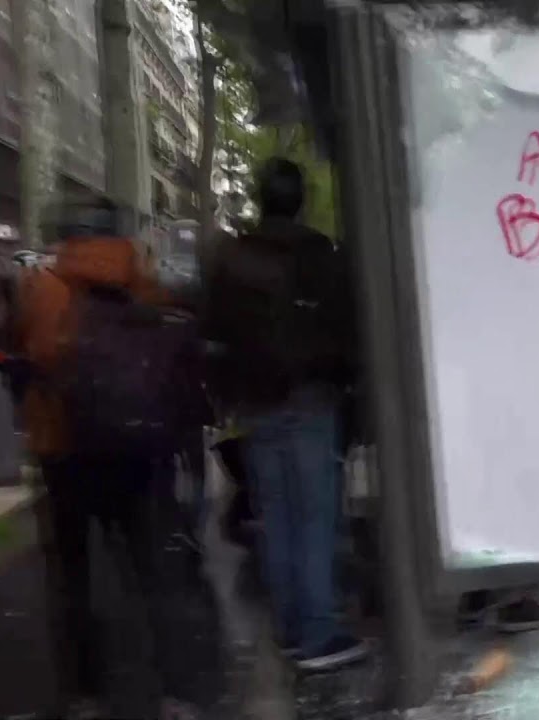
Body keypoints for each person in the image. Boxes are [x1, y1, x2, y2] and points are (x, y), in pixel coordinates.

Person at [17, 194, 208, 720]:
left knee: (74, 576)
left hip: (65, 449)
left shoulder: (43, 286)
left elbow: (10, 350)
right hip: (140, 450)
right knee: (155, 570)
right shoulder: (142, 279)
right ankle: (176, 690)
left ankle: (86, 693)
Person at [201, 157, 369, 671]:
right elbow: (347, 328)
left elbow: (212, 333)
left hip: (254, 404)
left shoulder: (230, 258)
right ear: (300, 200)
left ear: (259, 197)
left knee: (276, 516)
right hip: (311, 396)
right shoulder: (320, 255)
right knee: (317, 516)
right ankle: (320, 633)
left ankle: (293, 628)